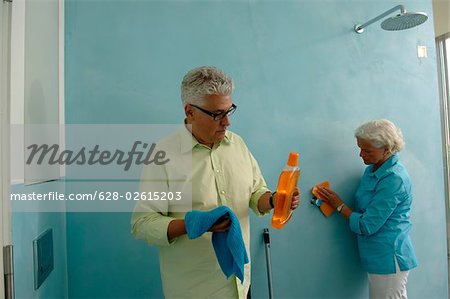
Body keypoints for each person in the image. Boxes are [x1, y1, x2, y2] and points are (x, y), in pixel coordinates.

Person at [131, 66, 300, 298]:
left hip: (240, 283)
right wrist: (194, 224)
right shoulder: (161, 157)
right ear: (190, 112)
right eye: (217, 114)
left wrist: (274, 199)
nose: (227, 122)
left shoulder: (238, 144)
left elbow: (255, 193)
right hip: (196, 290)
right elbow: (142, 223)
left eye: (229, 110)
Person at [314, 119, 417, 299]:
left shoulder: (394, 179)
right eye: (360, 148)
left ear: (386, 149)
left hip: (388, 258)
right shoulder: (373, 170)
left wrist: (338, 205)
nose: (361, 154)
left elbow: (367, 225)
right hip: (376, 256)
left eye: (367, 150)